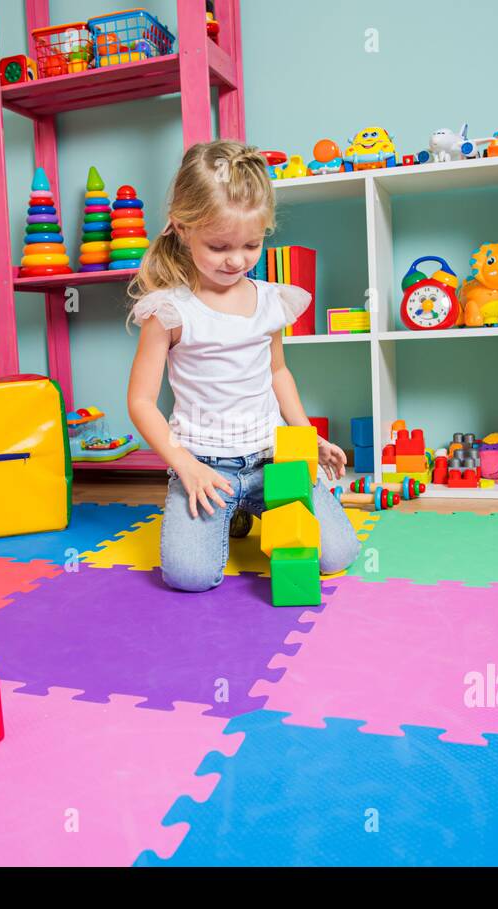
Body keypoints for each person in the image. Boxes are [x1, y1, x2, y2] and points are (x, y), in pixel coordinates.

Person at [126, 139, 361, 592]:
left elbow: (278, 373)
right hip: (205, 468)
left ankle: (250, 509)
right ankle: (229, 515)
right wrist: (184, 464)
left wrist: (307, 436)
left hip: (273, 461)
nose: (237, 260)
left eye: (252, 244)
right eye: (219, 246)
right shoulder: (169, 311)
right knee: (189, 578)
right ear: (181, 227)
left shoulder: (270, 300)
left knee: (336, 557)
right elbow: (140, 401)